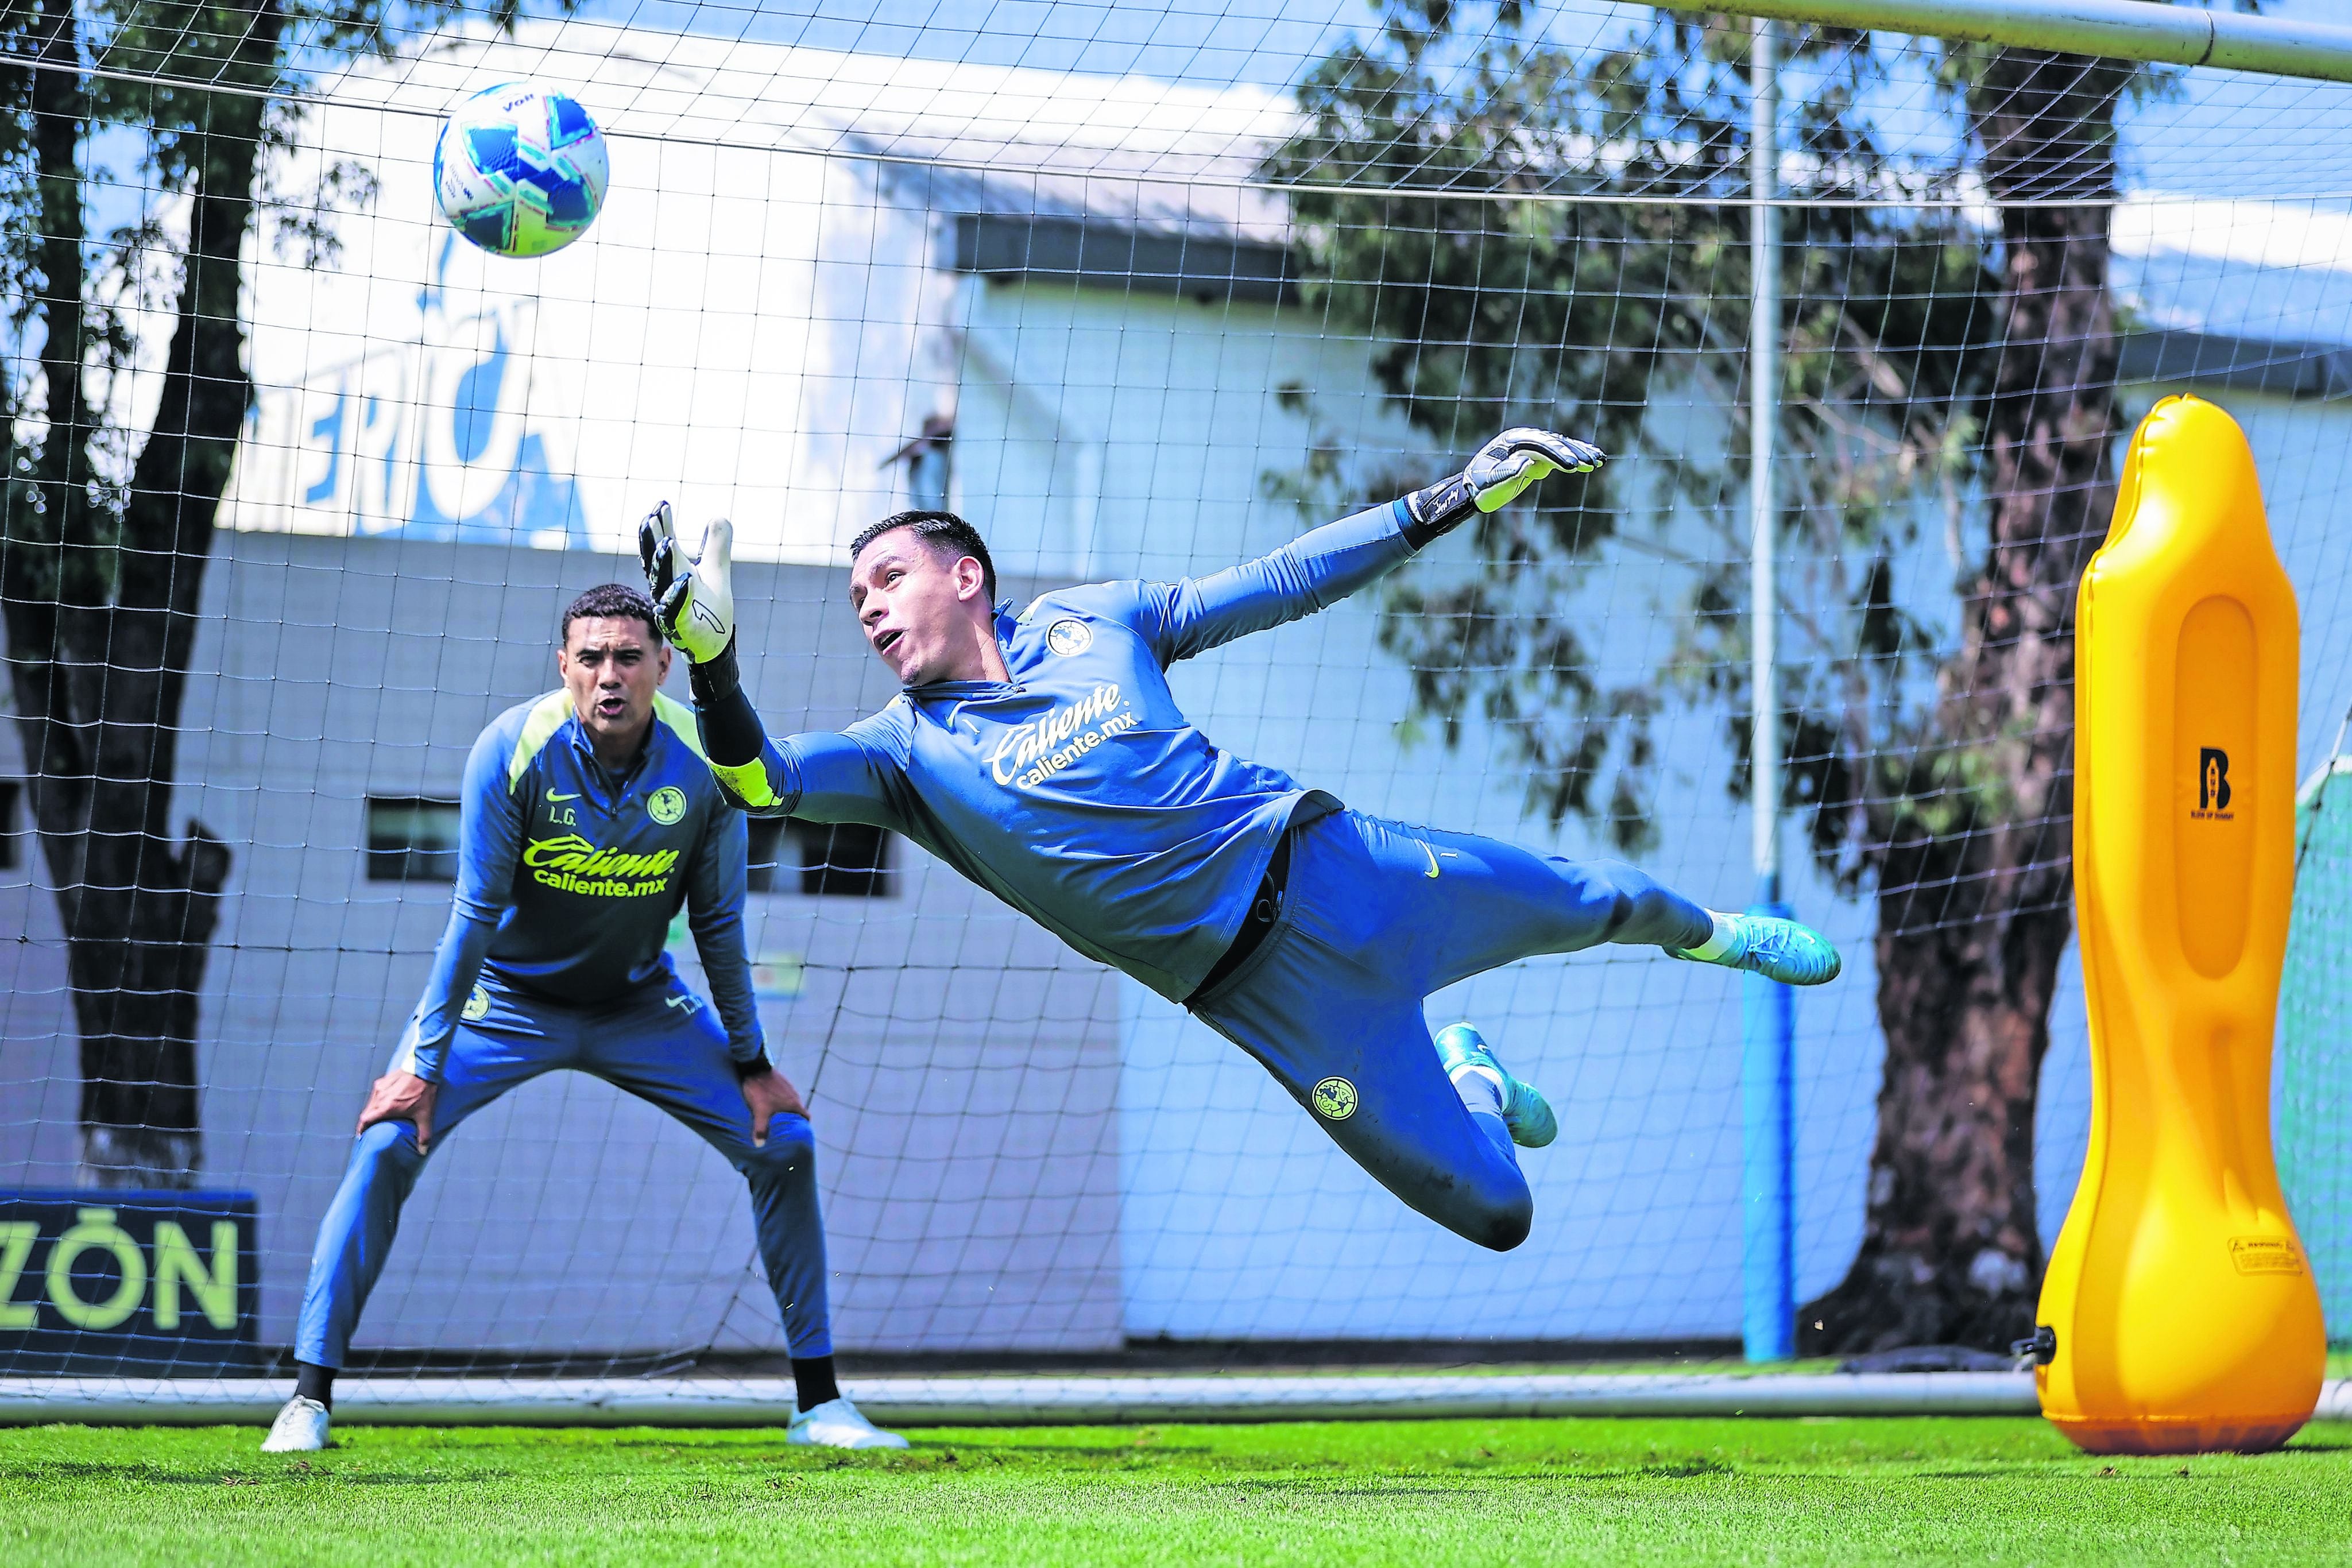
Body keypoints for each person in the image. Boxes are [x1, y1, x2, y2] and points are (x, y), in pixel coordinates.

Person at [637, 429, 1839, 1255]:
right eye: (857, 601)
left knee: (1598, 896)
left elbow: (1274, 583)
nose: (870, 608)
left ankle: (1721, 934)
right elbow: (756, 778)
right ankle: (1467, 1070)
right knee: (1496, 1213)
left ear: (967, 575)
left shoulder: (1090, 621)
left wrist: (1448, 497)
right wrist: (710, 653)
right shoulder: (901, 755)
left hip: (1339, 867)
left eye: (887, 578)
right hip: (1266, 1000)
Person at [261, 584, 902, 1453]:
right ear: (563, 666)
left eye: (629, 657)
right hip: (509, 1003)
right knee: (385, 1143)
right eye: (591, 659)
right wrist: (420, 1060)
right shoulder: (511, 750)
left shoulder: (706, 761)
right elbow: (473, 914)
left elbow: (718, 924)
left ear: (664, 666)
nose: (611, 676)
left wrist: (753, 1062)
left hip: (640, 1003)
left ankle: (819, 1405)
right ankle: (309, 1401)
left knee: (784, 1140)